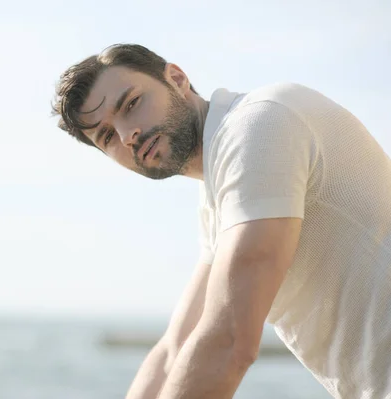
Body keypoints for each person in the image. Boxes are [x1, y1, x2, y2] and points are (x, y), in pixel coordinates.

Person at [50, 43, 391, 399]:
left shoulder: (257, 127)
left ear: (177, 78)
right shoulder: (219, 191)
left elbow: (229, 339)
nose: (126, 136)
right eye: (107, 136)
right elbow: (175, 349)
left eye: (131, 104)